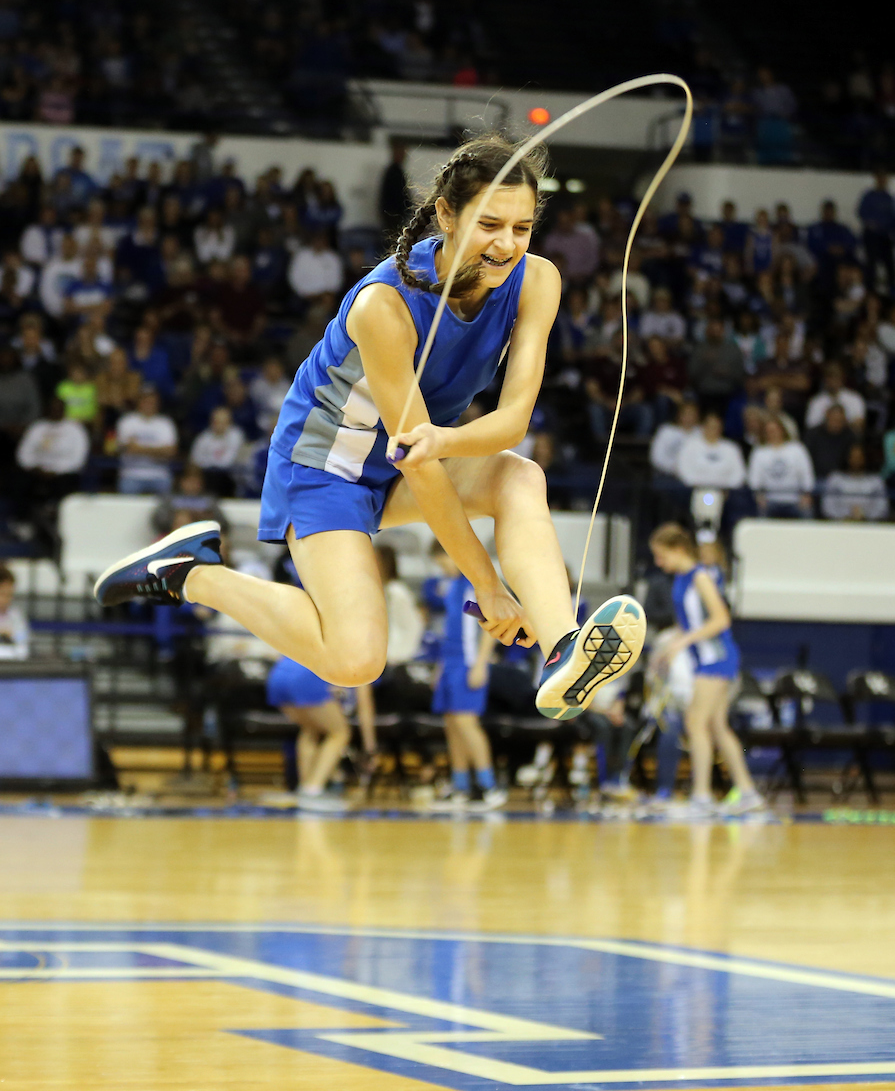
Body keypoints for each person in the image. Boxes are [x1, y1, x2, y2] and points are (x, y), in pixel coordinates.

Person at [93, 134, 642, 722]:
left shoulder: (538, 281)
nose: (507, 244)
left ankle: (564, 646)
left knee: (520, 477)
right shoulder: (383, 306)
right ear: (447, 215)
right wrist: (486, 584)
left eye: (522, 227)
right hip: (326, 466)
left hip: (414, 452)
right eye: (489, 224)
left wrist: (445, 440)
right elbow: (423, 468)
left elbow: (510, 424)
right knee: (355, 662)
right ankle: (192, 574)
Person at [649, 523, 763, 817]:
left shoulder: (700, 576)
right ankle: (748, 792)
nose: (658, 563)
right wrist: (670, 644)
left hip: (717, 657)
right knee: (717, 726)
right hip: (706, 658)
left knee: (695, 722)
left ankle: (701, 796)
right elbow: (690, 622)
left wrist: (684, 641)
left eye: (661, 556)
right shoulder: (681, 579)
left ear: (677, 550)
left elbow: (721, 620)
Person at [428, 541, 506, 810]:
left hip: (467, 663)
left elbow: (488, 626)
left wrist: (481, 664)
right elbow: (449, 632)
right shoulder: (452, 587)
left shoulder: (472, 585)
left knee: (466, 723)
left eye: (444, 561)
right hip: (449, 663)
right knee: (452, 724)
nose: (442, 568)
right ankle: (460, 787)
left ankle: (489, 786)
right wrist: (440, 668)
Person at [266, 657, 352, 810]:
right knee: (340, 733)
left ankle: (305, 788)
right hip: (306, 674)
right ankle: (313, 789)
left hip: (279, 674)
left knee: (310, 730)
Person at [747, 418, 815, 518]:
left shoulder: (797, 449)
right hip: (769, 500)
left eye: (775, 430)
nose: (773, 433)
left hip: (795, 499)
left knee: (807, 511)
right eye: (769, 431)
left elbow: (807, 473)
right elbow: (754, 479)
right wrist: (758, 496)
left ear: (782, 430)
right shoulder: (759, 452)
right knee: (759, 511)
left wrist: (806, 494)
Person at [116, 386, 178, 495]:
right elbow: (126, 449)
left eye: (152, 402)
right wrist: (158, 451)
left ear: (157, 403)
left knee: (166, 503)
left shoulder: (166, 423)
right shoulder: (127, 421)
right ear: (139, 402)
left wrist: (139, 448)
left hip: (160, 474)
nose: (149, 404)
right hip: (131, 474)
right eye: (145, 401)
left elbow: (170, 452)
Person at [0, 566, 29, 660]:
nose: (6, 600)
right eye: (2, 594)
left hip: (12, 667)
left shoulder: (15, 615)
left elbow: (23, 642)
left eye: (10, 595)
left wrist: (12, 635)